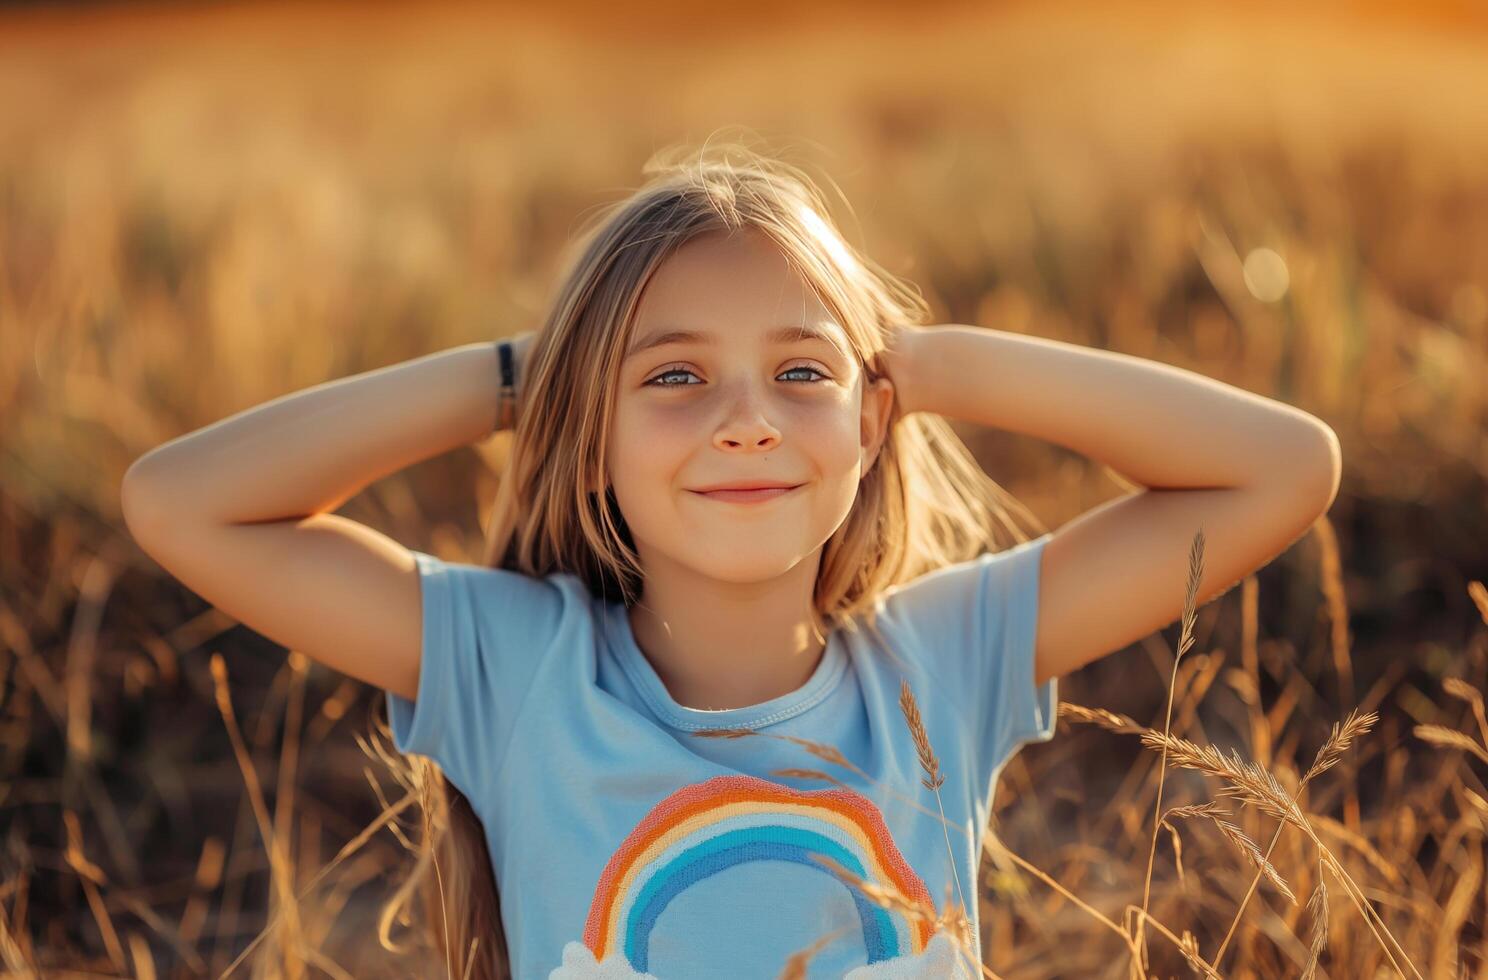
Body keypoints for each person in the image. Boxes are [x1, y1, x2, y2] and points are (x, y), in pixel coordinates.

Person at [120, 140, 1341, 980]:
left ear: (870, 421)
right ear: (587, 435)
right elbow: (180, 501)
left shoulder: (945, 658)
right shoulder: (517, 666)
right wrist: (523, 374)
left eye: (801, 370)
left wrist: (933, 366)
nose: (746, 418)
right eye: (672, 376)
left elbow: (1284, 467)